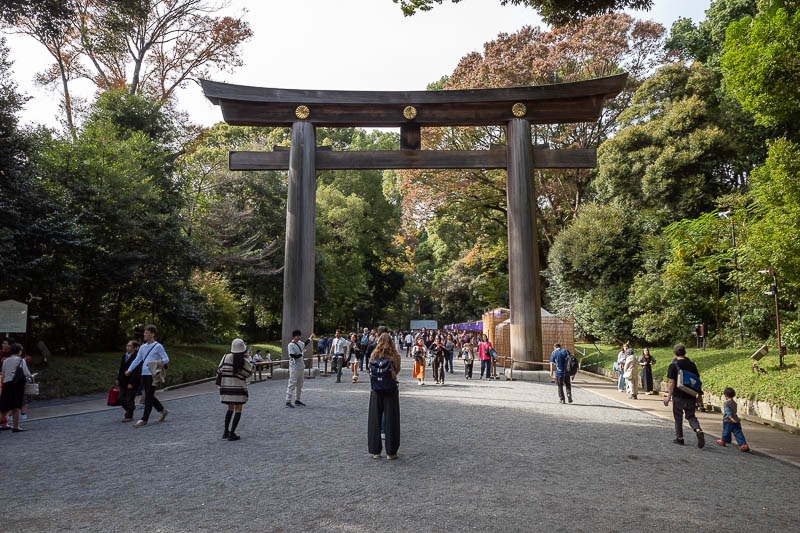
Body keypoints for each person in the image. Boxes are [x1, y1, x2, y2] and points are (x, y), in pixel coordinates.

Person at [125, 324, 170, 428]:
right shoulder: (142, 347)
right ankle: (163, 411)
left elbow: (166, 359)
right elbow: (137, 360)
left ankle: (144, 419)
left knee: (148, 396)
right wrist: (130, 370)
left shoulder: (158, 346)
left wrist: (156, 363)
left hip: (153, 374)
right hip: (144, 374)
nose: (144, 334)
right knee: (149, 395)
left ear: (152, 334)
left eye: (147, 333)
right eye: (144, 332)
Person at [663, 344, 705, 448]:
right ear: (685, 352)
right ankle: (698, 429)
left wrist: (668, 397)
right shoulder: (692, 364)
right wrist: (699, 396)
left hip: (678, 395)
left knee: (678, 417)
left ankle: (680, 438)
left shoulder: (673, 365)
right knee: (691, 416)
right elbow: (697, 381)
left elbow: (671, 382)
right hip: (690, 394)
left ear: (674, 353)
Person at [368, 333, 401, 459]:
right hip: (390, 389)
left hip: (376, 389)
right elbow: (397, 370)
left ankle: (375, 451)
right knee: (391, 419)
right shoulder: (395, 355)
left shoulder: (374, 354)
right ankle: (391, 452)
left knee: (374, 419)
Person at [217, 338, 253, 441]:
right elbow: (249, 373)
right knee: (238, 409)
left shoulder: (225, 357)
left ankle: (225, 432)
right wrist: (248, 358)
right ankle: (232, 433)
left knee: (230, 409)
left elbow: (219, 370)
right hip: (239, 389)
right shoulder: (244, 361)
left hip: (226, 388)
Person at [0, 343, 32, 432]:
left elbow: (3, 373)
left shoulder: (5, 361)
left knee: (4, 407)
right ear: (19, 351)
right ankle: (16, 426)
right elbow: (26, 373)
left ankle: (4, 423)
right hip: (17, 385)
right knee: (16, 406)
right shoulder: (21, 360)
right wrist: (32, 377)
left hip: (6, 384)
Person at [285, 329, 315, 408]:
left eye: (299, 336)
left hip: (301, 366)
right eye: (297, 336)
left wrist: (310, 338)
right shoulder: (290, 345)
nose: (299, 337)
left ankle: (297, 400)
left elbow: (304, 344)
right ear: (294, 336)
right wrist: (302, 353)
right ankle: (288, 401)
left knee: (300, 384)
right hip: (294, 367)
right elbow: (292, 355)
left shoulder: (300, 343)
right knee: (292, 384)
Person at [716, 387, 750, 452]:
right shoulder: (734, 403)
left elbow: (727, 411)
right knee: (738, 432)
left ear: (725, 395)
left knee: (726, 431)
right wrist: (734, 419)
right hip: (736, 420)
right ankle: (743, 444)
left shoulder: (726, 403)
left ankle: (723, 441)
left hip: (728, 420)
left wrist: (731, 418)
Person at [117, 340, 141, 422]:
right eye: (127, 345)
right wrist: (118, 379)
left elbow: (137, 372)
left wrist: (132, 383)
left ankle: (129, 416)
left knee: (129, 399)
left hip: (132, 382)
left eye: (130, 346)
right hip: (123, 381)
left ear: (135, 348)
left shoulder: (137, 357)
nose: (127, 347)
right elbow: (121, 368)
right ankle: (131, 408)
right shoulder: (124, 356)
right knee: (120, 398)